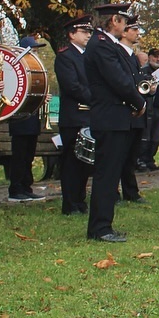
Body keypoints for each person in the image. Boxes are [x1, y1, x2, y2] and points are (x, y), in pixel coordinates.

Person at [84, 3, 144, 243]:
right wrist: (139, 102)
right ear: (114, 21)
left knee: (111, 174)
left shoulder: (108, 45)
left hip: (116, 118)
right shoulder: (101, 45)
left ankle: (103, 225)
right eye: (124, 21)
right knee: (106, 175)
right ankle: (100, 228)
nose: (126, 25)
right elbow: (119, 80)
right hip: (109, 119)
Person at [55, 15, 94, 215]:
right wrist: (96, 98)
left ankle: (80, 200)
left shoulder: (88, 56)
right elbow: (72, 86)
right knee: (71, 162)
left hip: (88, 117)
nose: (88, 35)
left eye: (89, 32)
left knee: (84, 163)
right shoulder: (65, 56)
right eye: (84, 32)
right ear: (72, 34)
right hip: (74, 116)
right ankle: (70, 204)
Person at [5, 35, 48, 203]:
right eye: (33, 50)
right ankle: (16, 189)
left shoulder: (34, 70)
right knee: (20, 156)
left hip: (32, 119)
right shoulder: (17, 69)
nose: (35, 54)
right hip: (20, 120)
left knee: (28, 156)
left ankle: (26, 187)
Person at [116, 19, 146, 204]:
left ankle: (131, 192)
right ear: (124, 32)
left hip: (136, 114)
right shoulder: (117, 53)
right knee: (118, 156)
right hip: (123, 112)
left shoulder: (133, 56)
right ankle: (114, 193)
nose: (137, 32)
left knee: (130, 157)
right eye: (134, 29)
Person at [139, 48, 159, 170]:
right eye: (155, 56)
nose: (158, 59)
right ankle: (141, 160)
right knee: (146, 136)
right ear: (149, 57)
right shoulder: (144, 71)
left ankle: (150, 160)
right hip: (148, 108)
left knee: (156, 137)